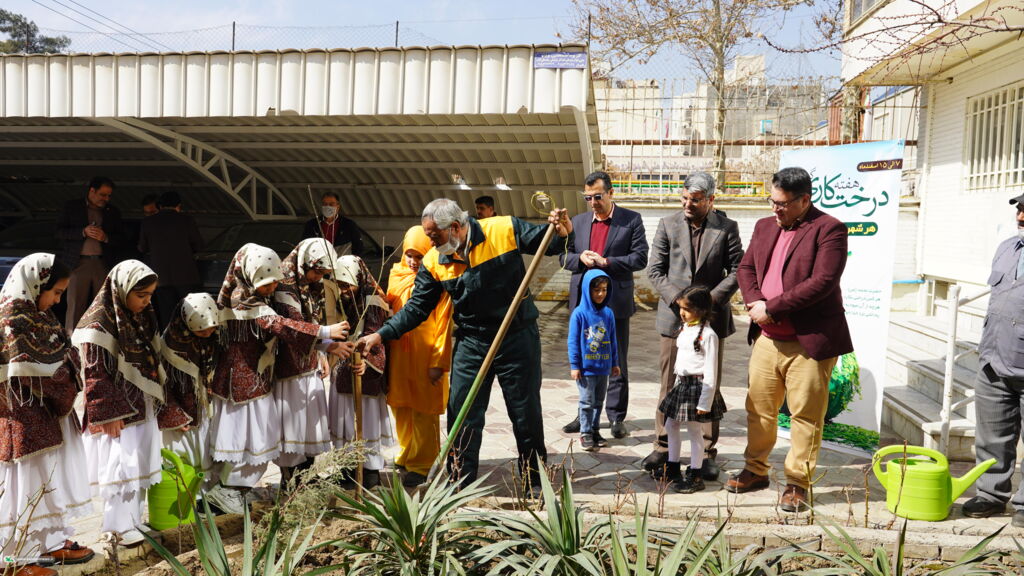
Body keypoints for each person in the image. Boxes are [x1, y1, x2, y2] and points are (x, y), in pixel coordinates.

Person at [357, 199, 573, 492]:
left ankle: (533, 480)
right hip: (472, 340)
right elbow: (416, 309)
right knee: (462, 412)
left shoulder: (503, 229)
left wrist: (563, 232)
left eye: (434, 235)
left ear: (455, 227)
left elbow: (550, 243)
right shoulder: (435, 262)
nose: (431, 242)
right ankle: (461, 482)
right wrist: (380, 335)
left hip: (516, 335)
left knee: (525, 411)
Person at [728, 167, 853, 513]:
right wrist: (755, 303)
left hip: (809, 342)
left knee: (806, 415)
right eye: (772, 201)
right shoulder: (765, 226)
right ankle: (756, 470)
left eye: (783, 204)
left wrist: (774, 307)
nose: (775, 209)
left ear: (804, 200)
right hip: (767, 338)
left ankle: (798, 483)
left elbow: (823, 281)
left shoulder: (829, 229)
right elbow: (746, 268)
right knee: (759, 409)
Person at [205, 244, 348, 514]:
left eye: (274, 284)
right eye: (267, 284)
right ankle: (229, 491)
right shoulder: (243, 298)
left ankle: (236, 490)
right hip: (241, 384)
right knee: (247, 439)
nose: (272, 290)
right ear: (250, 276)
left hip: (255, 381)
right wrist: (325, 332)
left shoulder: (256, 295)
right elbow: (278, 324)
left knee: (256, 439)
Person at [643, 172, 744, 481]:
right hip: (674, 318)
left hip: (711, 319)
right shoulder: (667, 224)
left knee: (707, 384)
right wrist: (682, 302)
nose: (688, 204)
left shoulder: (726, 228)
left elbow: (739, 269)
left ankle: (708, 452)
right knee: (669, 383)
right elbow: (655, 270)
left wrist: (707, 302)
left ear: (711, 200)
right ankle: (662, 446)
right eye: (685, 198)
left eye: (696, 200)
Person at [0, 255, 94, 576]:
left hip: (46, 411)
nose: (57, 299)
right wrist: (62, 383)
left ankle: (51, 542)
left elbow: (63, 352)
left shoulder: (40, 314)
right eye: (55, 292)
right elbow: (30, 369)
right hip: (21, 417)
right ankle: (15, 560)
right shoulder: (13, 318)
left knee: (48, 479)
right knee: (25, 482)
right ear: (35, 283)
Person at [73, 260, 162, 546]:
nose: (146, 302)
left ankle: (133, 521)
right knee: (121, 469)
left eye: (150, 295)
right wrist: (107, 413)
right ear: (122, 290)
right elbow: (94, 373)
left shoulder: (140, 316)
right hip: (117, 414)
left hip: (140, 405)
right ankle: (117, 527)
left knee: (137, 466)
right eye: (141, 295)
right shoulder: (99, 323)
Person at [560, 171, 648, 439]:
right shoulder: (578, 221)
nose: (593, 202)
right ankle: (584, 414)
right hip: (583, 305)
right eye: (587, 197)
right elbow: (564, 257)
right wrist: (581, 258)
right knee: (584, 358)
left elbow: (640, 258)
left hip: (615, 301)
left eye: (598, 196)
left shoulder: (630, 220)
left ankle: (615, 416)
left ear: (611, 193)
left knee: (616, 358)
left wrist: (607, 263)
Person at [962, 194, 1024, 526]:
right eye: (1019, 208)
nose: (1021, 215)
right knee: (991, 434)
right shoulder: (1007, 247)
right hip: (994, 357)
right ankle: (990, 494)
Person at [271, 239, 344, 487]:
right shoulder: (283, 285)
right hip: (287, 366)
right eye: (316, 271)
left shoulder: (314, 285)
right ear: (305, 264)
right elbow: (292, 329)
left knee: (309, 422)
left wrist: (322, 352)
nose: (317, 278)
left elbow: (312, 319)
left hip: (309, 364)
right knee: (291, 422)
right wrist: (326, 336)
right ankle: (289, 479)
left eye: (323, 274)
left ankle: (307, 476)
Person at [385, 226, 453, 488]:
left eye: (419, 256)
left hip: (426, 354)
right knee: (401, 405)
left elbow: (444, 323)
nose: (413, 262)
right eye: (409, 255)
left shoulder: (438, 277)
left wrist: (439, 362)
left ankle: (422, 464)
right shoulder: (396, 274)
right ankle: (406, 453)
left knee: (424, 409)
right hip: (400, 354)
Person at [654, 286, 726, 494]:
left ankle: (695, 474)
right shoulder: (685, 328)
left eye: (687, 309)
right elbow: (682, 361)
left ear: (702, 310)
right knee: (671, 424)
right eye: (681, 309)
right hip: (682, 385)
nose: (682, 313)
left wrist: (705, 402)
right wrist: (676, 383)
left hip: (698, 388)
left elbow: (711, 371)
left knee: (695, 431)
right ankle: (673, 466)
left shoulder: (709, 335)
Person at [330, 255, 391, 490]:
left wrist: (366, 360)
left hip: (365, 367)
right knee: (346, 420)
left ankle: (370, 472)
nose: (344, 290)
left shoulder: (373, 300)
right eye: (340, 285)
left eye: (348, 285)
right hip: (343, 364)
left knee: (366, 420)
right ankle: (347, 468)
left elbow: (377, 335)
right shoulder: (340, 299)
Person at [157, 293, 221, 469]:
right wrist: (174, 416)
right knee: (183, 459)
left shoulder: (216, 339)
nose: (207, 333)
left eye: (212, 327)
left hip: (207, 411)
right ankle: (187, 494)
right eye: (201, 330)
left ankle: (207, 491)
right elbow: (161, 385)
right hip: (181, 414)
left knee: (208, 455)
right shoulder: (168, 347)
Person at [57, 176, 123, 335]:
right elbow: (59, 232)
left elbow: (122, 238)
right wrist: (82, 232)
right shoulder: (72, 207)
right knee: (75, 306)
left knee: (103, 306)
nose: (106, 199)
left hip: (102, 263)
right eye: (102, 195)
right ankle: (71, 343)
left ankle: (100, 340)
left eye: (108, 195)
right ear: (91, 191)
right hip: (78, 263)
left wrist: (105, 237)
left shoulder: (112, 211)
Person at [567, 269, 619, 452]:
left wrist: (615, 363)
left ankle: (596, 430)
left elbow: (613, 340)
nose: (600, 294)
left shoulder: (609, 314)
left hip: (603, 368)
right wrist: (575, 365)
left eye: (604, 290)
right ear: (587, 290)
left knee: (598, 402)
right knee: (586, 402)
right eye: (596, 290)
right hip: (586, 370)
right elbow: (573, 341)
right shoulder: (579, 314)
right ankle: (585, 432)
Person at [138, 191, 204, 330]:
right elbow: (199, 245)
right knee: (190, 315)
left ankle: (169, 347)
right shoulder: (187, 220)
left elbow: (142, 247)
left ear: (160, 206)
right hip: (187, 277)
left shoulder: (148, 222)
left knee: (167, 317)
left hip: (161, 278)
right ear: (178, 206)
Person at [302, 192, 364, 257]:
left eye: (331, 204)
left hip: (340, 264)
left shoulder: (348, 225)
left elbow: (358, 248)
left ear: (338, 206)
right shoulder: (312, 224)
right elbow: (304, 246)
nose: (328, 207)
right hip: (318, 264)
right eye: (325, 204)